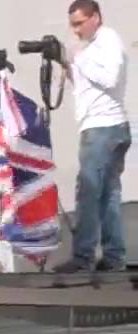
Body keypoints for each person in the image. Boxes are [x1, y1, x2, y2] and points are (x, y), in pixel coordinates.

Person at [55, 0, 130, 273]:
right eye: (72, 24)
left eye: (79, 23)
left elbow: (109, 78)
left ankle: (83, 256)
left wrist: (78, 58)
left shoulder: (107, 40)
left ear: (95, 17)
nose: (75, 31)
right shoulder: (93, 47)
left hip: (103, 128)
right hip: (106, 127)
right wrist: (66, 64)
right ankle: (113, 257)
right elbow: (88, 88)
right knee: (108, 193)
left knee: (87, 190)